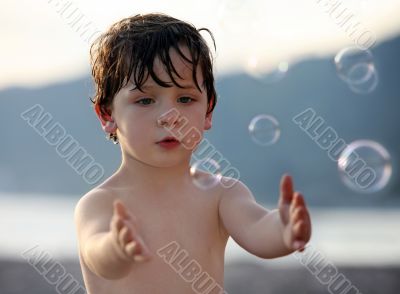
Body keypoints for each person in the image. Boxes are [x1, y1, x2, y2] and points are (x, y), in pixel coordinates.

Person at [74, 12, 312, 294]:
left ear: (207, 110)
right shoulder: (102, 203)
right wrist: (116, 246)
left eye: (185, 98)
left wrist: (284, 230)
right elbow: (97, 254)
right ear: (107, 114)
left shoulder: (221, 194)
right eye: (145, 100)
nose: (169, 116)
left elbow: (257, 228)